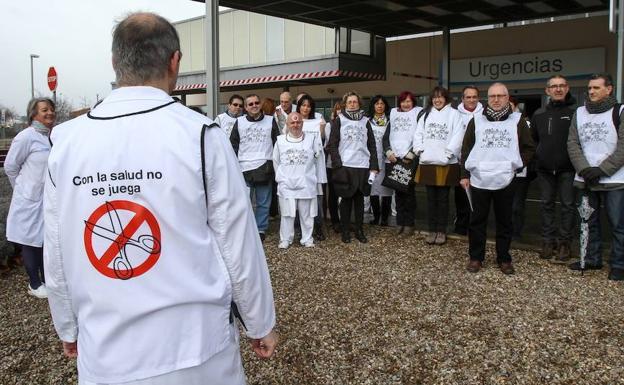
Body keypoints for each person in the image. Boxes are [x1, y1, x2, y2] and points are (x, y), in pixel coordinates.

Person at [43, 13, 277, 385]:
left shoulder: (65, 142)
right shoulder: (202, 136)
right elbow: (237, 244)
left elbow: (56, 249)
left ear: (115, 62)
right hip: (197, 351)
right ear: (175, 62)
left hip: (106, 351)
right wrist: (259, 320)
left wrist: (67, 325)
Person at [461, 82, 535, 275]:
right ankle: (476, 257)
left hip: (506, 179)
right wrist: (464, 174)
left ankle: (504, 258)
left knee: (504, 221)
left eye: (500, 96)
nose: (496, 99)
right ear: (488, 98)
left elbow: (528, 148)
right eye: (492, 96)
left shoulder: (518, 121)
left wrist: (517, 165)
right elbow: (466, 149)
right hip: (479, 179)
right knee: (477, 221)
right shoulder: (476, 120)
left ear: (507, 98)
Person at [567, 73, 624, 281]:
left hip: (614, 179)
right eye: (589, 88)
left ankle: (618, 264)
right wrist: (584, 169)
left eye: (596, 88)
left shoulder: (620, 111)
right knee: (587, 221)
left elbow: (623, 147)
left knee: (618, 224)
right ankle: (591, 258)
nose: (591, 91)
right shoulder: (580, 113)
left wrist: (602, 170)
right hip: (585, 179)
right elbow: (572, 143)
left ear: (609, 89)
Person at [5, 97, 55, 298]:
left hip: (46, 199)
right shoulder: (26, 136)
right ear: (33, 114)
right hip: (29, 199)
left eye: (51, 109)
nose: (50, 112)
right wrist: (22, 189)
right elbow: (10, 166)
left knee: (44, 240)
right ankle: (34, 284)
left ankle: (46, 280)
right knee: (30, 241)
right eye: (44, 110)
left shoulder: (51, 137)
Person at [531, 75, 577, 262]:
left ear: (567, 88)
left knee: (567, 206)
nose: (558, 89)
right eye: (554, 86)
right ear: (547, 90)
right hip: (545, 169)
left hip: (568, 169)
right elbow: (534, 140)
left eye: (562, 86)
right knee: (546, 205)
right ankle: (548, 241)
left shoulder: (575, 113)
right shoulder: (539, 114)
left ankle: (565, 243)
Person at [414, 86, 464, 245]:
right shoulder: (426, 114)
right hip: (428, 161)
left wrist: (448, 154)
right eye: (435, 97)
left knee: (443, 199)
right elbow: (418, 134)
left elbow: (458, 135)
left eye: (441, 97)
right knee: (430, 198)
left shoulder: (454, 114)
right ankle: (432, 229)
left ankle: (441, 230)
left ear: (446, 98)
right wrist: (419, 150)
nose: (437, 100)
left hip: (446, 163)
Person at [328, 91, 379, 243]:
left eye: (354, 102)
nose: (352, 104)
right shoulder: (340, 120)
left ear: (359, 103)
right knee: (346, 200)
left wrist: (374, 166)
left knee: (359, 201)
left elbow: (372, 145)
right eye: (349, 102)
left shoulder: (366, 121)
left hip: (362, 165)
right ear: (345, 104)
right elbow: (333, 144)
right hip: (345, 166)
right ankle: (345, 231)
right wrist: (338, 165)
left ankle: (359, 230)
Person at [231, 94, 281, 241]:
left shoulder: (270, 120)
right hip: (243, 168)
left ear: (260, 104)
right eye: (250, 104)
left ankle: (260, 229)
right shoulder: (239, 122)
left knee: (263, 203)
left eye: (256, 103)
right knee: (243, 202)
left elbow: (277, 143)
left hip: (264, 167)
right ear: (245, 107)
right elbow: (233, 145)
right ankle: (244, 228)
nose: (254, 105)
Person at [273, 112, 327, 248]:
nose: (295, 125)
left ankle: (307, 238)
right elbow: (276, 162)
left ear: (302, 123)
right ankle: (285, 239)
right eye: (292, 122)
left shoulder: (312, 139)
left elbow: (317, 159)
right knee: (287, 214)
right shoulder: (280, 140)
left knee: (307, 214)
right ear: (287, 124)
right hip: (287, 184)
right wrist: (282, 179)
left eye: (298, 122)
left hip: (306, 183)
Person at [383, 91, 421, 235]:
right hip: (394, 158)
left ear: (413, 103)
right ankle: (400, 222)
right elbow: (385, 138)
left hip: (409, 159)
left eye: (408, 101)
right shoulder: (393, 115)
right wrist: (388, 152)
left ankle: (409, 223)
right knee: (398, 192)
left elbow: (420, 136)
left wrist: (412, 153)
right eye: (403, 101)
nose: (406, 104)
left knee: (409, 193)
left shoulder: (418, 115)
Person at [453, 86, 483, 235]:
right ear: (462, 98)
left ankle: (475, 227)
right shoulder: (455, 115)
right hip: (460, 162)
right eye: (468, 97)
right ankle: (461, 226)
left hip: (479, 164)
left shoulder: (484, 114)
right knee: (461, 197)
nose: (471, 100)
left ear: (478, 98)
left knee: (478, 197)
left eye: (474, 97)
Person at [297, 94, 327, 241]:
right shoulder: (294, 120)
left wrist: (321, 129)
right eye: (303, 105)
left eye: (308, 105)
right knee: (298, 196)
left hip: (315, 165)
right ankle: (299, 227)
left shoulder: (318, 120)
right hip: (298, 165)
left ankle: (318, 226)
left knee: (317, 197)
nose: (306, 108)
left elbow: (322, 142)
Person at [509, 96, 537, 241]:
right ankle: (507, 230)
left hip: (520, 171)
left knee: (517, 205)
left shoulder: (525, 122)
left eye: (510, 104)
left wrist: (522, 163)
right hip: (503, 171)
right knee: (505, 204)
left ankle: (516, 232)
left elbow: (530, 147)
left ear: (515, 106)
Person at [368, 95, 393, 226]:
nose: (379, 106)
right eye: (377, 103)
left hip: (387, 159)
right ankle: (375, 217)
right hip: (372, 159)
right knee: (373, 189)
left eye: (382, 103)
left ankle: (384, 218)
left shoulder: (390, 121)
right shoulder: (368, 122)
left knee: (387, 190)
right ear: (373, 106)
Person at [324, 101, 343, 233]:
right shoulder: (329, 125)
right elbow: (328, 145)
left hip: (348, 164)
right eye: (338, 110)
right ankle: (335, 220)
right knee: (333, 194)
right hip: (332, 164)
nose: (340, 112)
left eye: (342, 110)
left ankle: (345, 219)